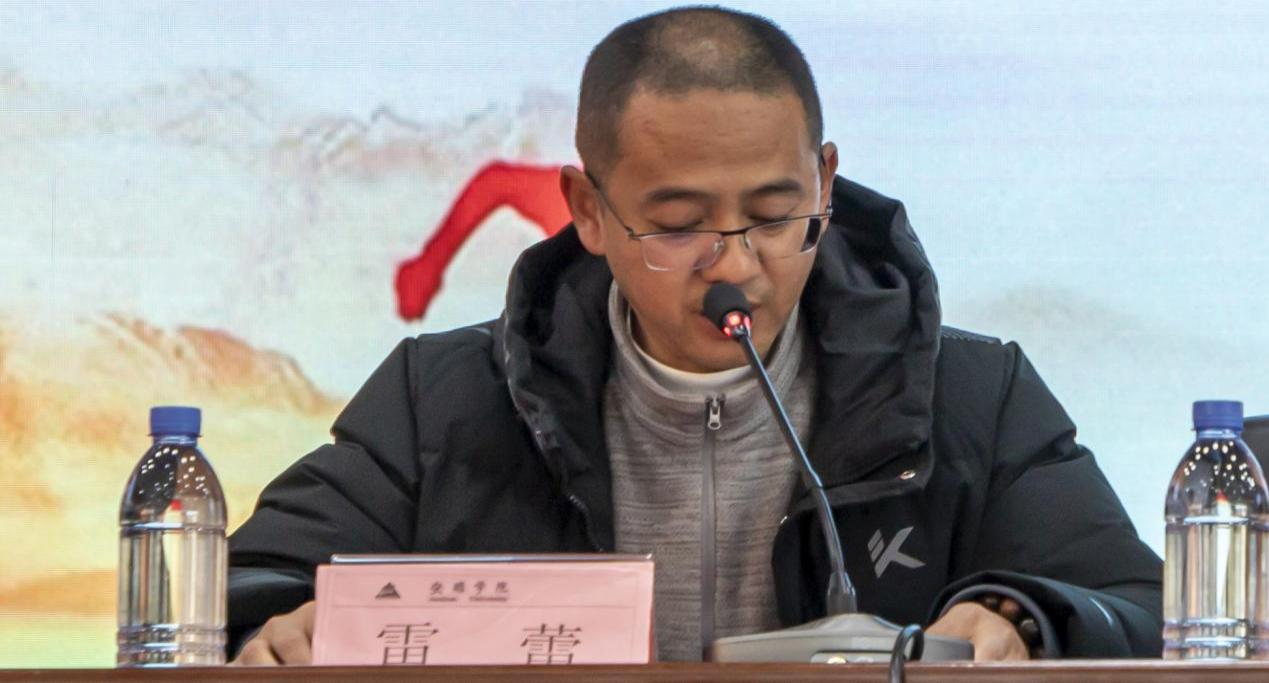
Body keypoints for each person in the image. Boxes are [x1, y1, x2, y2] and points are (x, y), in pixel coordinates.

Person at [228, 6, 1162, 665]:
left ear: (824, 181)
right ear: (587, 209)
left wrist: (1023, 615)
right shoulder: (443, 400)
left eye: (774, 214)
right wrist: (281, 622)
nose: (735, 265)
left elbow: (1144, 607)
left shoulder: (969, 396)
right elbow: (240, 585)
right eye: (678, 225)